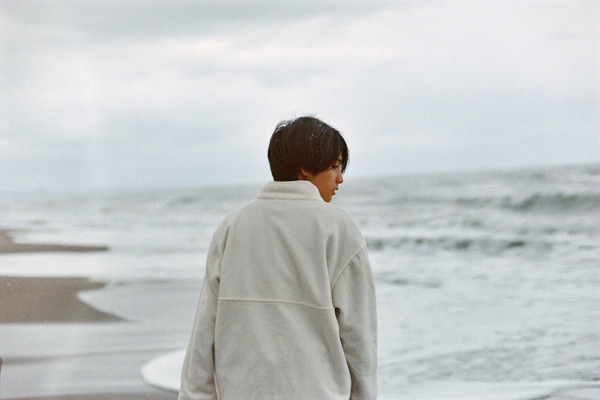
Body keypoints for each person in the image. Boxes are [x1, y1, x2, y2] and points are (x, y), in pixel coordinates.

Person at [179, 116, 377, 400]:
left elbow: (204, 331)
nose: (340, 178)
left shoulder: (232, 226)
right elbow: (359, 338)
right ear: (305, 168)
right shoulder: (340, 228)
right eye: (334, 165)